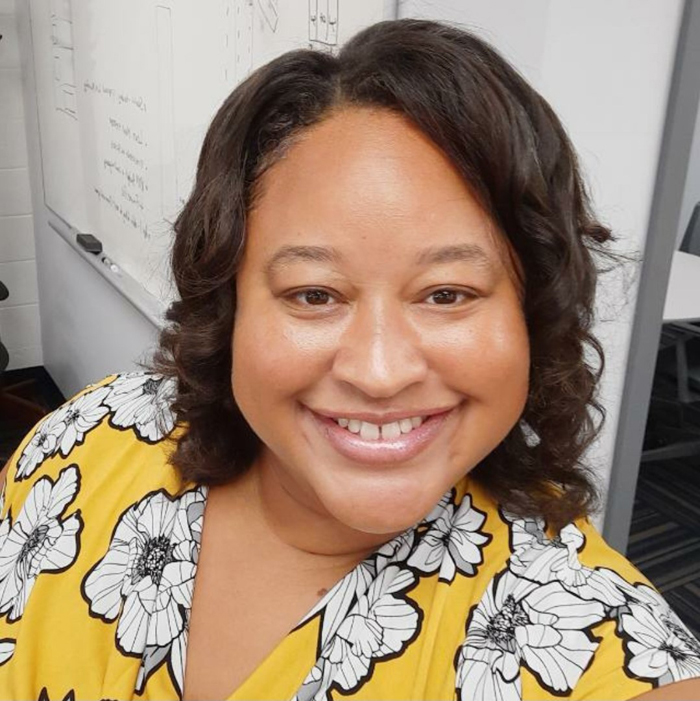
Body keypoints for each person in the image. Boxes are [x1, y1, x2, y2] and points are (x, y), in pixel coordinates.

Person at [0, 17, 698, 701]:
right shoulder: (86, 440)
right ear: (230, 307)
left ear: (531, 315)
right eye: (314, 294)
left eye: (447, 293)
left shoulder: (579, 635)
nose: (379, 371)